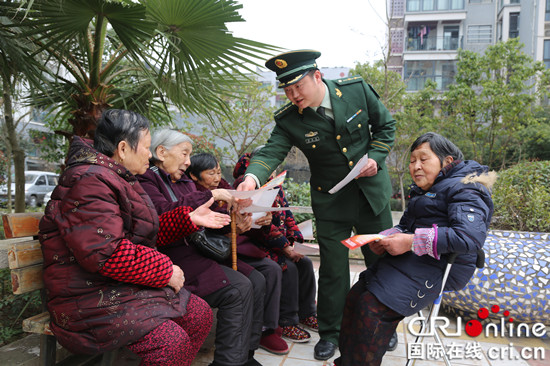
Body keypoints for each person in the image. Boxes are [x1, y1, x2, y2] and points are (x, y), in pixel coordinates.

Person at [237, 50, 396, 360]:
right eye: (287, 89)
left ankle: (383, 327)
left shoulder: (355, 91)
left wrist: (375, 160)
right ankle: (331, 333)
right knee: (334, 270)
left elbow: (386, 128)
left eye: (299, 86)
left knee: (380, 263)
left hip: (370, 195)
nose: (294, 95)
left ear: (317, 76)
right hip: (331, 200)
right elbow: (270, 152)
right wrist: (251, 179)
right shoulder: (288, 120)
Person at [39, 109, 230, 366]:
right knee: (170, 343)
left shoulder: (118, 177)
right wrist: (165, 271)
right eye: (147, 147)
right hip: (86, 293)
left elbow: (139, 232)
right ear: (123, 148)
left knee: (199, 314)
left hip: (115, 285)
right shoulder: (89, 181)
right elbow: (106, 253)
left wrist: (188, 219)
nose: (150, 155)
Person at [334, 132, 496, 366]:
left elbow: (468, 237)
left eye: (423, 159)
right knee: (355, 297)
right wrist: (386, 238)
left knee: (372, 309)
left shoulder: (468, 188)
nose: (416, 166)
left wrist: (409, 242)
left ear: (447, 161)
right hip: (416, 259)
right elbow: (406, 225)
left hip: (443, 264)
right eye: (412, 161)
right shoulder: (425, 188)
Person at [136, 129, 265, 366]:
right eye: (184, 154)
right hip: (173, 259)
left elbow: (208, 216)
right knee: (237, 289)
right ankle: (228, 362)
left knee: (257, 279)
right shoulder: (146, 179)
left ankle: (245, 354)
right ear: (161, 152)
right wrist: (211, 195)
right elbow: (162, 213)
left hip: (199, 253)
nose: (188, 161)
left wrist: (234, 224)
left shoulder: (184, 181)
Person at [187, 153, 289, 355]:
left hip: (240, 243)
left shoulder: (226, 188)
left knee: (274, 269)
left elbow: (244, 217)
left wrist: (259, 219)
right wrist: (236, 224)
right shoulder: (194, 195)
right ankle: (251, 341)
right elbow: (212, 227)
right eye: (211, 173)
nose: (217, 177)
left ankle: (264, 331)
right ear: (194, 176)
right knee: (255, 278)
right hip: (219, 250)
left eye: (218, 171)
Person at [232, 150, 318, 343]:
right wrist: (286, 248)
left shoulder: (274, 185)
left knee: (304, 264)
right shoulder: (244, 186)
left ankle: (307, 312)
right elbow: (259, 223)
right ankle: (287, 320)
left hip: (274, 243)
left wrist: (295, 238)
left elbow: (286, 215)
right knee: (289, 267)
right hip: (255, 244)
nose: (272, 170)